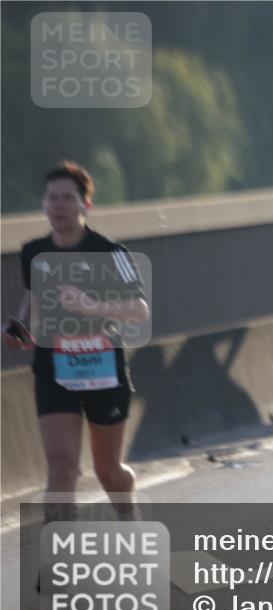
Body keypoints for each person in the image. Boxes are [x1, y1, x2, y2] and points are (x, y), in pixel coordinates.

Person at [4, 162, 150, 524]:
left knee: (108, 470)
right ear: (43, 205)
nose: (59, 205)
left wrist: (92, 306)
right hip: (54, 367)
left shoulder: (111, 253)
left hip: (103, 368)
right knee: (61, 466)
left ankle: (127, 511)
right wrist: (20, 331)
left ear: (86, 205)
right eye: (52, 198)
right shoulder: (34, 252)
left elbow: (139, 310)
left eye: (68, 198)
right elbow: (32, 305)